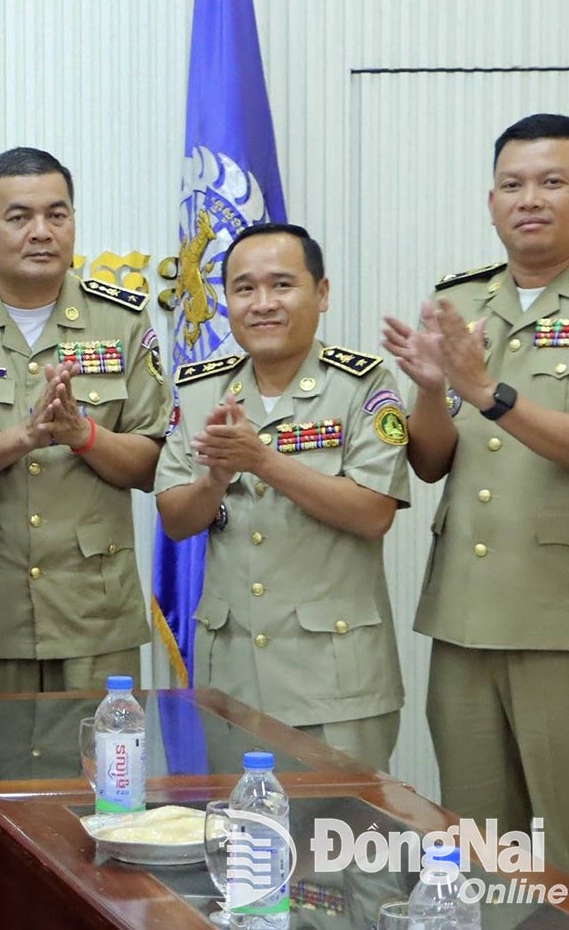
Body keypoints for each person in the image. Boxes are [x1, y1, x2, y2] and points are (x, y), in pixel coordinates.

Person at [382, 113, 569, 898]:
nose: (530, 199)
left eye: (553, 181)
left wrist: (488, 392)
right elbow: (433, 458)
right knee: (479, 852)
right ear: (491, 201)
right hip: (465, 616)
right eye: (513, 184)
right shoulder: (460, 298)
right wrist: (431, 388)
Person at [0, 147, 165, 692]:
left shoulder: (122, 321)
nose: (41, 232)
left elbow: (154, 465)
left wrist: (83, 435)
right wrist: (19, 440)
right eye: (19, 217)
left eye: (57, 214)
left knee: (105, 776)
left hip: (94, 618)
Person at [156, 223, 409, 769]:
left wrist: (263, 461)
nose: (262, 303)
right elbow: (176, 520)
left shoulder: (362, 385)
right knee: (242, 844)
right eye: (244, 289)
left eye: (282, 285)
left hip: (335, 681)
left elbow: (373, 512)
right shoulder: (201, 388)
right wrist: (215, 479)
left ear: (321, 293)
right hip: (233, 679)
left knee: (336, 845)